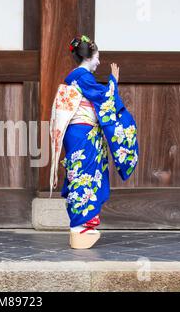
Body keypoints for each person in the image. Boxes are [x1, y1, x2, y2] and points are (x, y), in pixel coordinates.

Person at [49, 35, 139, 249]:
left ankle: (80, 227)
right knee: (85, 175)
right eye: (98, 57)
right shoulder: (82, 77)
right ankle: (81, 227)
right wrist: (113, 82)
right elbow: (105, 98)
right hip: (83, 133)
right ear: (89, 57)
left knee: (80, 173)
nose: (99, 62)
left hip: (78, 133)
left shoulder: (76, 76)